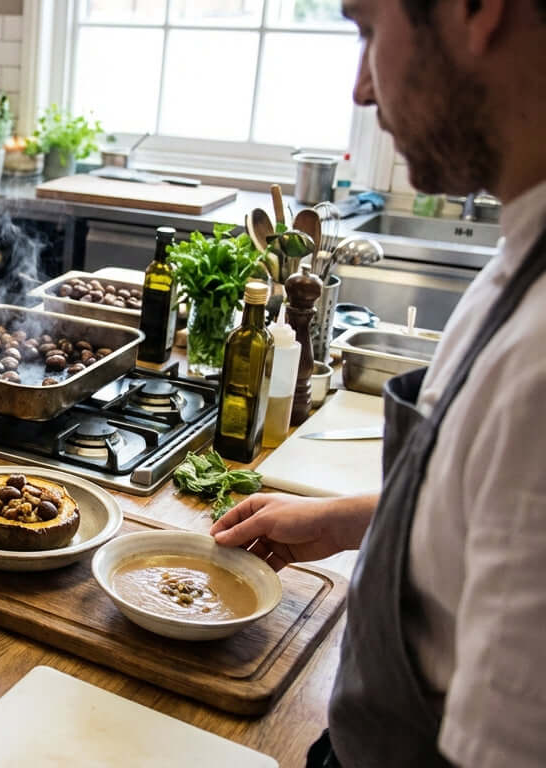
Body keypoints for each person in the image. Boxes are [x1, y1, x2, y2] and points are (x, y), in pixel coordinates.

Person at [210, 0, 546, 764]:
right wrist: (360, 519)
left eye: (367, 30)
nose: (362, 89)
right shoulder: (522, 257)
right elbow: (490, 498)